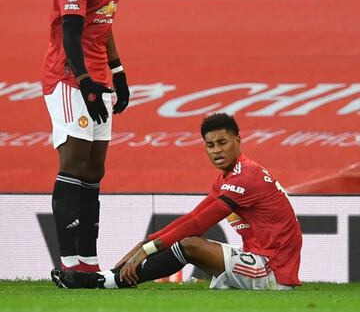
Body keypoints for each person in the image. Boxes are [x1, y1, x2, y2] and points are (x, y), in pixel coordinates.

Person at [51, 113, 302, 290]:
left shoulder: (246, 177)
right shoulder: (229, 177)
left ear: (238, 140)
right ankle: (110, 278)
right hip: (260, 259)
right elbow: (192, 216)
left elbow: (198, 223)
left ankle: (106, 281)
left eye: (223, 143)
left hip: (272, 270)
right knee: (187, 244)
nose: (216, 151)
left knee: (190, 245)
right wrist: (144, 243)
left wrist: (146, 251)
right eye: (210, 145)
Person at [42, 0, 132, 272]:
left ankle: (89, 263)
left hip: (99, 78)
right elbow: (71, 33)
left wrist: (119, 70)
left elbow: (104, 23)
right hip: (68, 79)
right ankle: (67, 265)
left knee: (95, 171)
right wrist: (85, 84)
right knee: (75, 164)